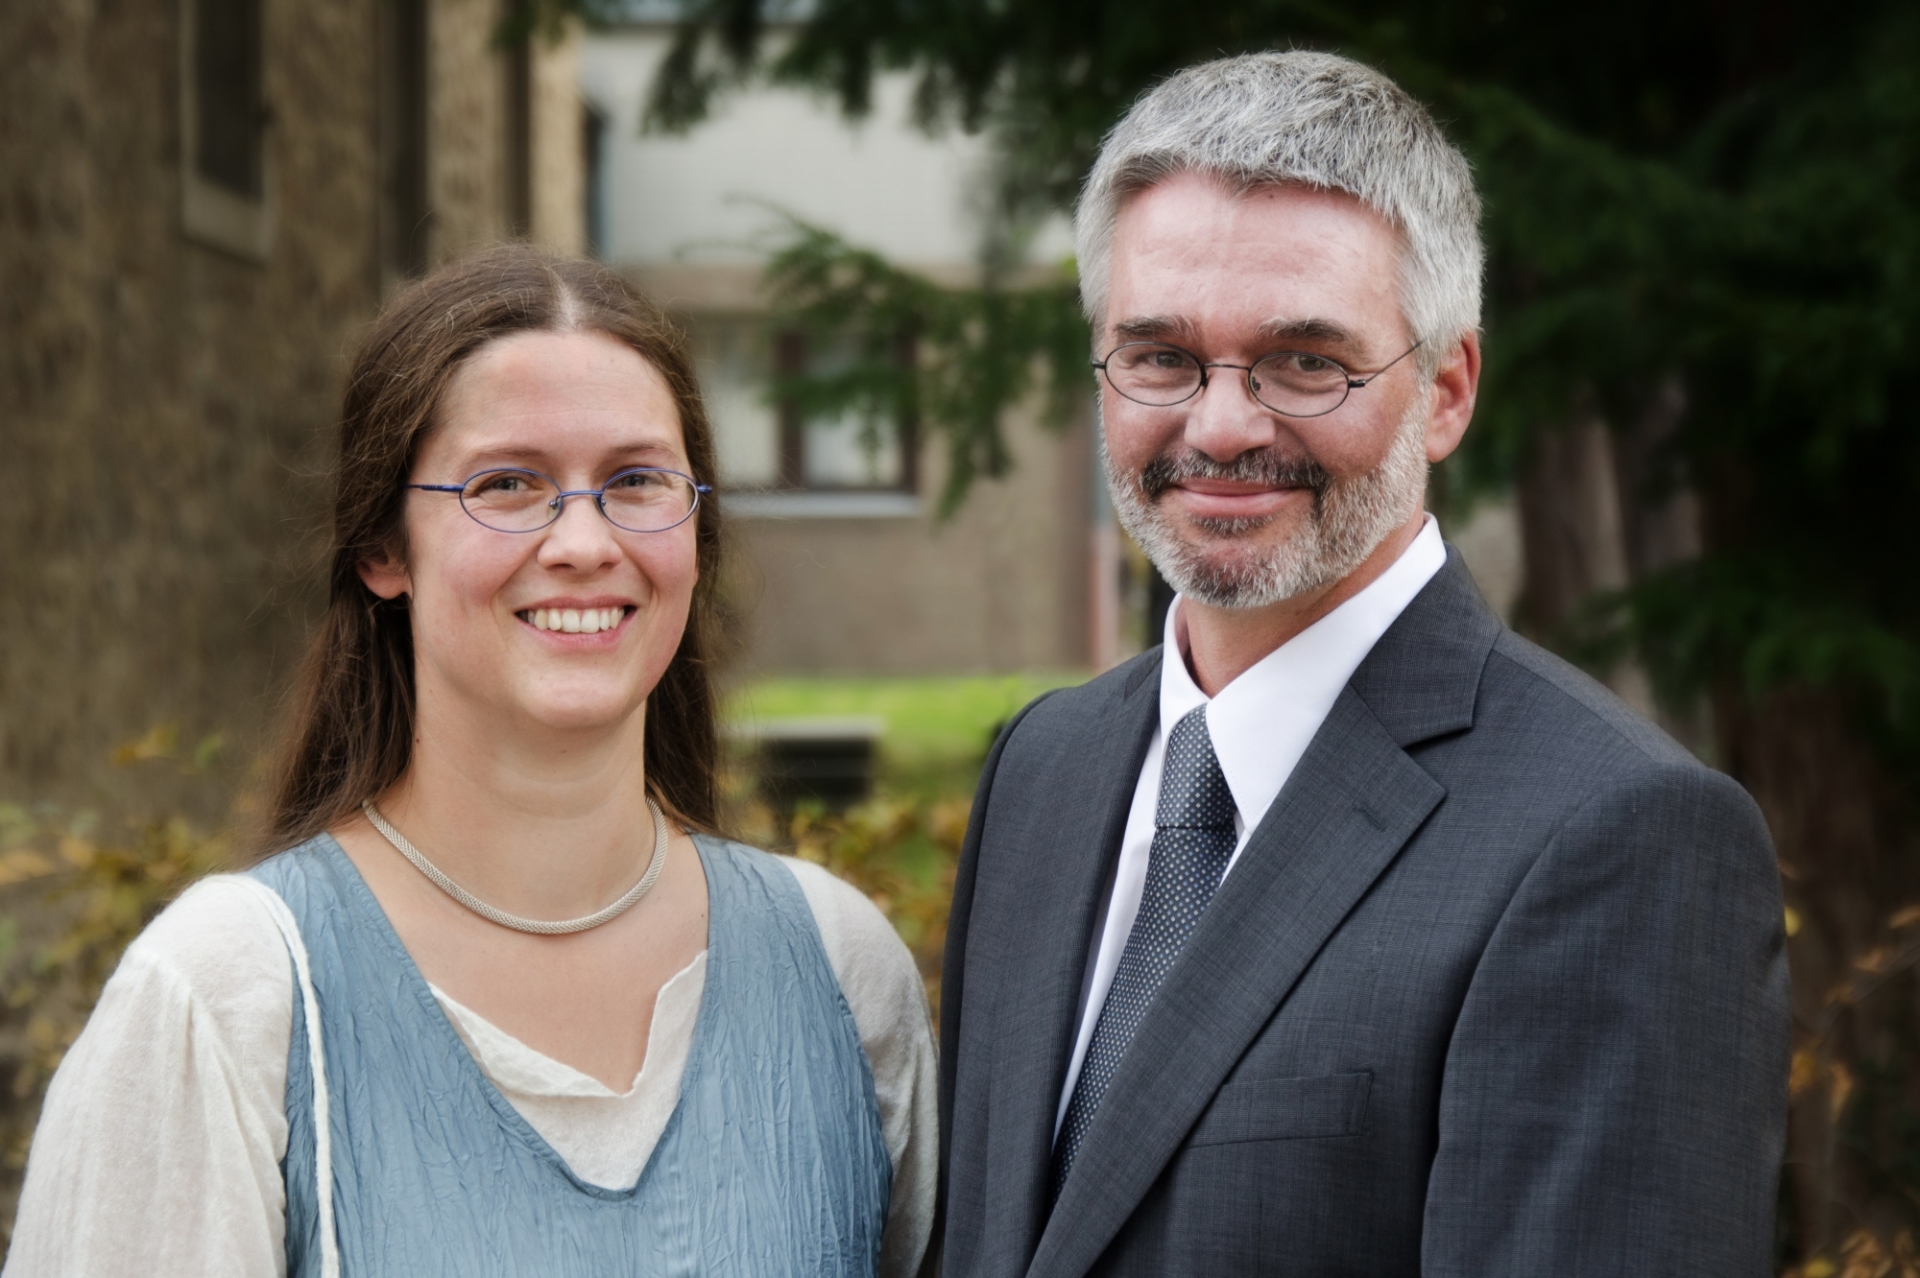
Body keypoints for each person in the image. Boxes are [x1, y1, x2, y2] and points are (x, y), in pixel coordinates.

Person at [938, 51, 1788, 1276]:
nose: (1221, 427)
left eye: (1305, 362)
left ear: (1445, 391)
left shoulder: (1619, 839)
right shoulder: (1045, 768)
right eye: (1161, 356)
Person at [6, 246, 936, 1277]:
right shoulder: (229, 999)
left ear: (697, 535)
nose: (583, 540)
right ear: (383, 551)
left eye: (637, 482)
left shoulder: (843, 976)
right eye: (507, 483)